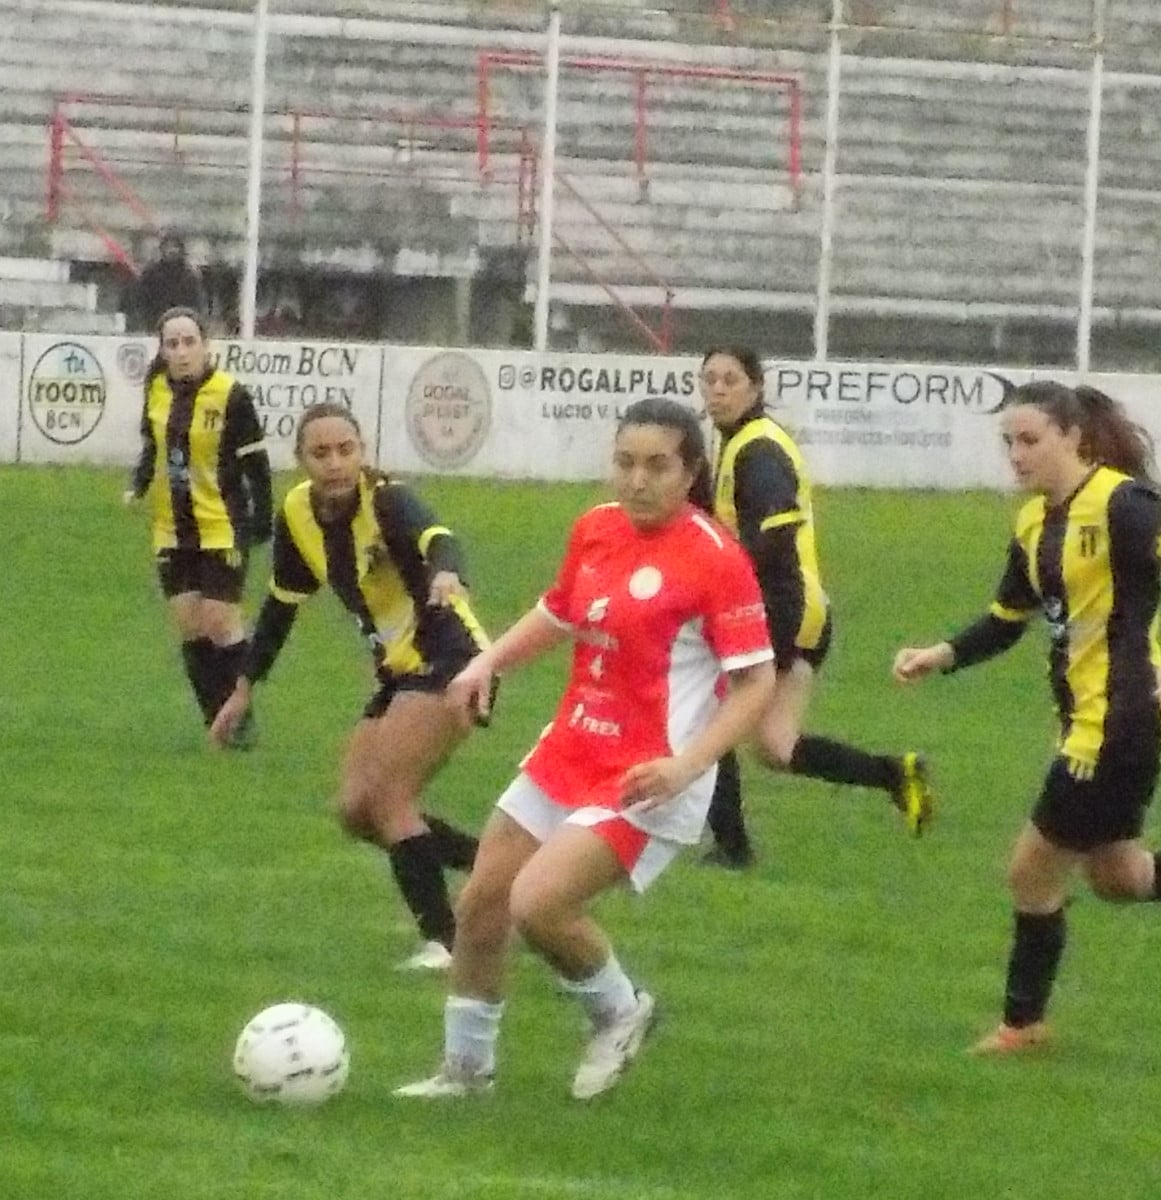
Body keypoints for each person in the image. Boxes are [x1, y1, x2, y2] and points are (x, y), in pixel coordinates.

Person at [892, 381, 1161, 1054]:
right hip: (1082, 723)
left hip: (1119, 723)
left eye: (1030, 440)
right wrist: (941, 654)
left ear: (1074, 437)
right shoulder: (1034, 523)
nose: (1017, 455)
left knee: (1029, 873)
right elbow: (1009, 620)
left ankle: (1022, 1026)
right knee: (1122, 878)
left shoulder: (1123, 506)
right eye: (1008, 442)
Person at [395, 397, 776, 1101]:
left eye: (658, 465)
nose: (638, 480)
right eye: (626, 462)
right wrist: (488, 663)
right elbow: (562, 611)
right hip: (571, 746)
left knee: (538, 903)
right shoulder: (596, 529)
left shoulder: (717, 559)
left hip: (649, 773)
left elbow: (757, 683)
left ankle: (621, 1010)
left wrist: (688, 766)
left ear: (691, 472)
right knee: (481, 900)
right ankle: (466, 1073)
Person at [209, 402, 492, 971]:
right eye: (321, 453)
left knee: (390, 799)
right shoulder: (297, 513)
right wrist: (243, 688)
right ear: (301, 460)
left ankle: (447, 941)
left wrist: (445, 570)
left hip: (452, 661)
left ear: (363, 453)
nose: (336, 463)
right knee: (356, 811)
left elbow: (439, 536)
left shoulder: (387, 499)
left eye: (347, 450)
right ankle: (500, 867)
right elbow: (282, 605)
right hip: (398, 670)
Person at [697, 345, 932, 869]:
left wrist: (725, 587)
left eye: (729, 380)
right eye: (709, 379)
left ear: (756, 388)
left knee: (710, 716)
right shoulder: (738, 444)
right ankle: (895, 774)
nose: (717, 389)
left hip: (782, 607)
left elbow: (776, 536)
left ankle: (732, 848)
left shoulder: (758, 449)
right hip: (802, 609)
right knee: (776, 746)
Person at [124, 306, 271, 747]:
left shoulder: (231, 395)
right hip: (172, 529)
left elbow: (257, 465)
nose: (182, 351)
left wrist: (262, 518)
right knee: (190, 625)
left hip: (223, 525)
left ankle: (240, 718)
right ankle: (217, 721)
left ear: (207, 346)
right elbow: (153, 447)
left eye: (190, 342)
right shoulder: (156, 390)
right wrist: (138, 484)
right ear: (163, 350)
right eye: (173, 343)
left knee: (220, 620)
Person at [125, 230, 206, 334]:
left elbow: (197, 306)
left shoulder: (190, 276)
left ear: (181, 250)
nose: (172, 251)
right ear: (162, 250)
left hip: (183, 328)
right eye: (168, 247)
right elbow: (139, 302)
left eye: (175, 247)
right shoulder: (150, 274)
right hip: (154, 328)